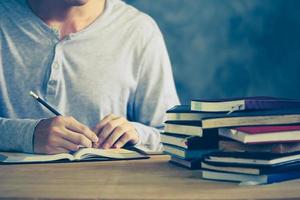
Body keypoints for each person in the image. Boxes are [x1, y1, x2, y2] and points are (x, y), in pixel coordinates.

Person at [0, 0, 179, 154]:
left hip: (106, 189)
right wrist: (27, 135)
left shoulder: (139, 30)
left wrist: (136, 133)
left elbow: (176, 136)